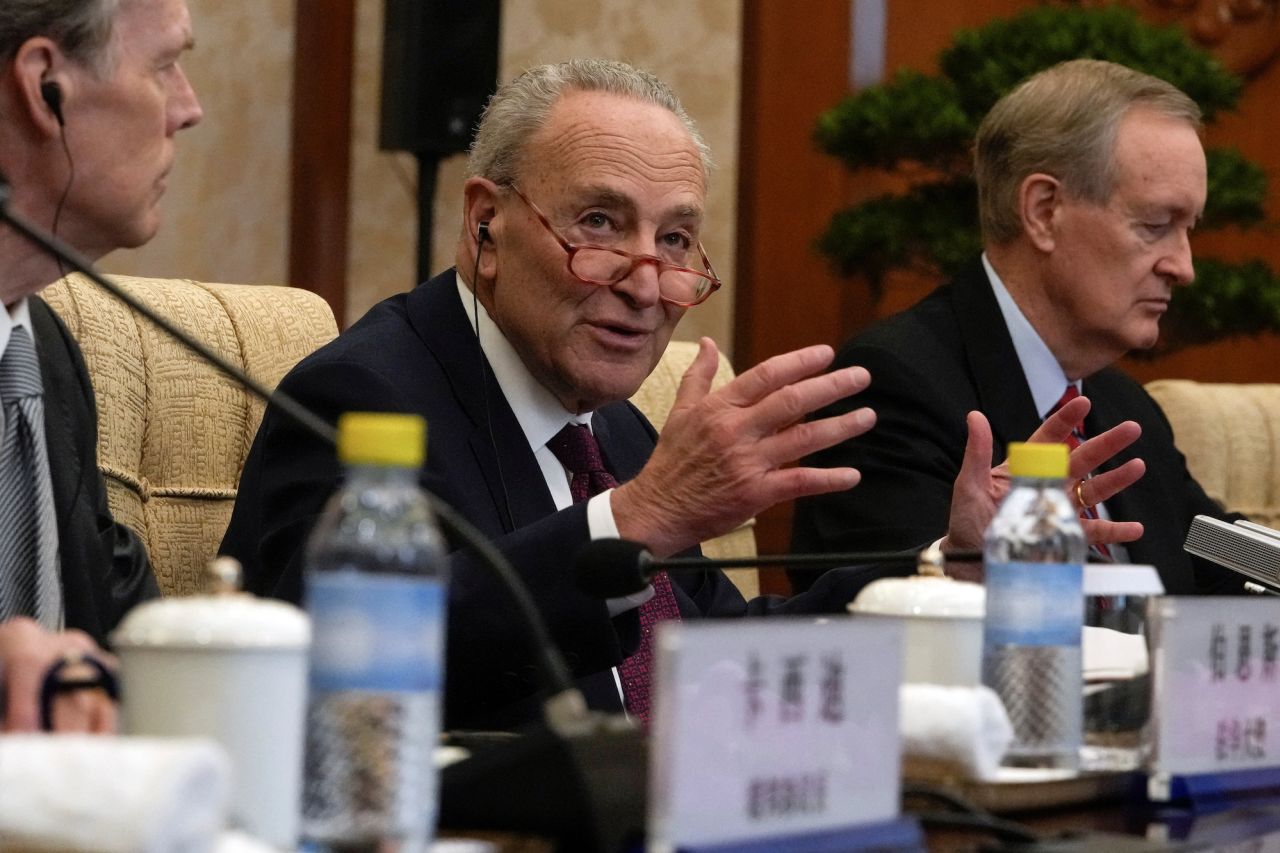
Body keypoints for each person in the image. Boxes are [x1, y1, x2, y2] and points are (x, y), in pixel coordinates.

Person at [221, 59, 1143, 730]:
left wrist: (955, 565)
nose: (646, 281)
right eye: (599, 222)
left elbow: (723, 661)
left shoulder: (611, 429)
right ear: (485, 224)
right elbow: (347, 675)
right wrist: (640, 515)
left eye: (675, 242)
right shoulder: (364, 398)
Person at [791, 59, 1240, 596]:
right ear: (1044, 211)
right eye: (1155, 226)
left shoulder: (1122, 407)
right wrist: (972, 554)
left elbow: (1220, 555)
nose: (1183, 267)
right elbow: (876, 613)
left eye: (1188, 229)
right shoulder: (891, 384)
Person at [0, 0, 203, 731]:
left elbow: (120, 633)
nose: (190, 108)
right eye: (164, 65)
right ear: (46, 85)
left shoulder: (46, 354)